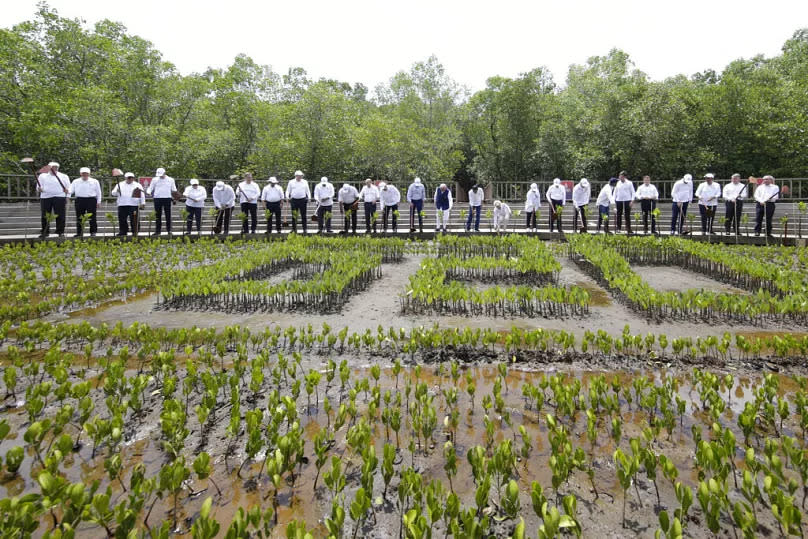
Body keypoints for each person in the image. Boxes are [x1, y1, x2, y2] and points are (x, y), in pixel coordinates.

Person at [37, 161, 69, 238]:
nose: (54, 169)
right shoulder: (42, 176)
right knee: (45, 215)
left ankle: (60, 231)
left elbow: (68, 187)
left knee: (60, 215)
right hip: (45, 197)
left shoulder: (64, 176)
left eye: (56, 167)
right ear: (49, 167)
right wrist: (39, 189)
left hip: (60, 197)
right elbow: (38, 187)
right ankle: (45, 232)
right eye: (52, 167)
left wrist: (67, 196)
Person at [69, 167, 102, 237]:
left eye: (86, 173)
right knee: (79, 217)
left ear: (89, 174)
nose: (85, 175)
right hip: (79, 200)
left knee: (92, 217)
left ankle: (93, 232)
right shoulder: (75, 181)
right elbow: (70, 190)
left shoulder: (95, 181)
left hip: (91, 200)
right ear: (81, 174)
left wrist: (98, 201)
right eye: (83, 173)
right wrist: (67, 194)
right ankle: (79, 232)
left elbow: (98, 192)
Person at [146, 167, 177, 236]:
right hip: (157, 198)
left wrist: (174, 198)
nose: (160, 176)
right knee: (157, 215)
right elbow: (150, 188)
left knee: (168, 215)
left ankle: (169, 230)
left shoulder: (171, 179)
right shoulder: (154, 179)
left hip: (167, 198)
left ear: (165, 173)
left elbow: (174, 189)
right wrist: (148, 192)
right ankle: (158, 231)